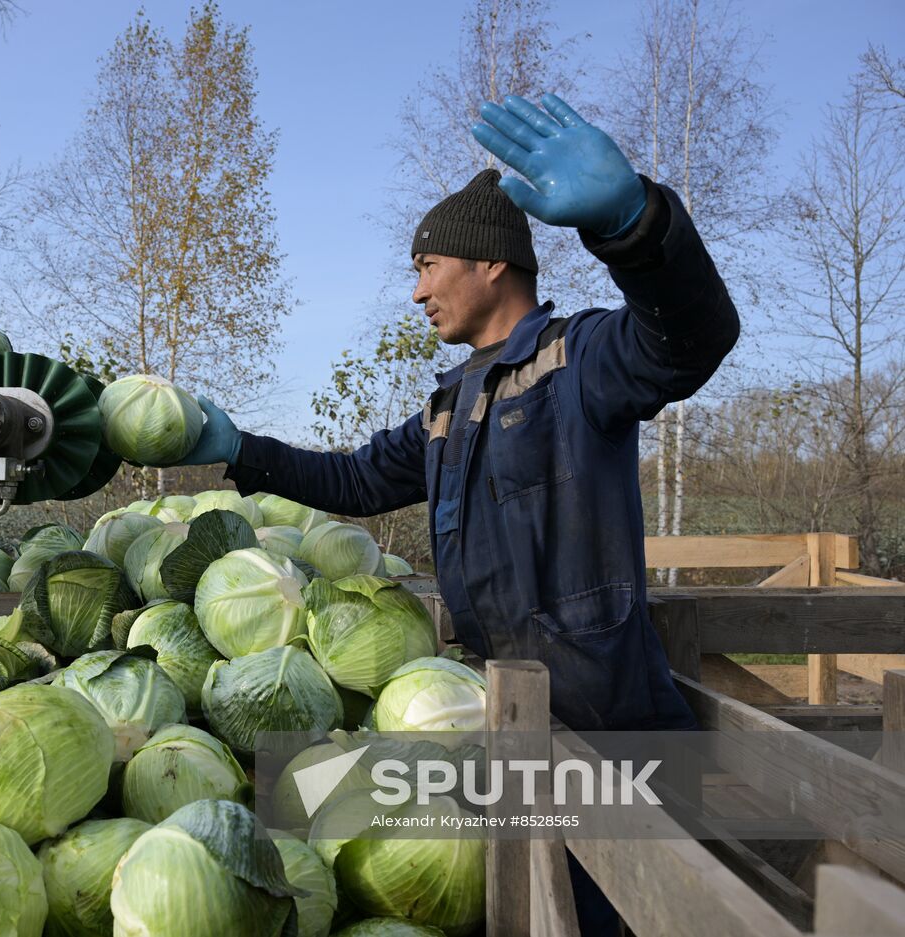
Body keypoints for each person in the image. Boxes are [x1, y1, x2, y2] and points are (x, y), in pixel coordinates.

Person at [170, 92, 739, 935]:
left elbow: (691, 337)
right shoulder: (451, 404)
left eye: (428, 265)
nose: (415, 291)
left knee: (616, 916)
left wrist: (638, 226)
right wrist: (238, 446)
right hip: (504, 717)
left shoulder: (578, 360)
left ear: (490, 266)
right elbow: (356, 481)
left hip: (606, 721)